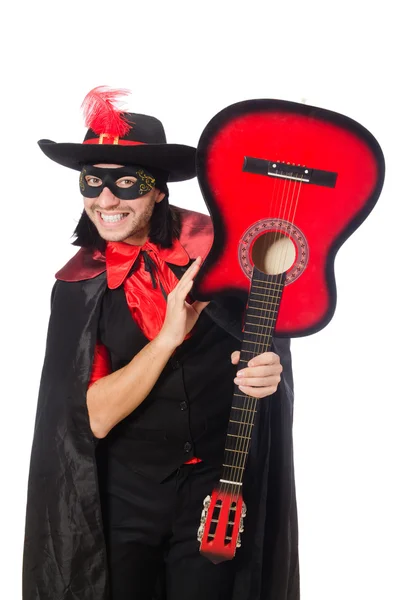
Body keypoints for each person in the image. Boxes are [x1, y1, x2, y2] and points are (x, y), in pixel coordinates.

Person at [23, 87, 299, 600]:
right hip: (123, 494)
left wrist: (270, 367)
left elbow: (268, 335)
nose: (105, 200)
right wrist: (169, 338)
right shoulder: (79, 286)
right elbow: (94, 417)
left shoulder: (222, 253)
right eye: (93, 182)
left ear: (158, 191)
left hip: (219, 487)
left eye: (126, 184)